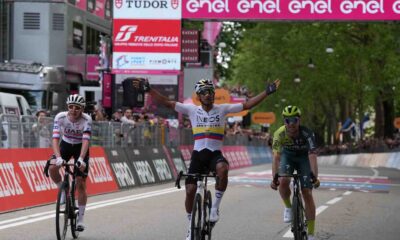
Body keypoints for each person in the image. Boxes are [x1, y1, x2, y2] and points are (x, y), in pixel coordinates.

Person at [136, 78, 280, 240]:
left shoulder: (222, 109)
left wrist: (266, 93)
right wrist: (149, 91)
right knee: (190, 190)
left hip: (214, 154)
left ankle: (215, 209)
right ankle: (190, 225)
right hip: (198, 155)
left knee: (223, 169)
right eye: (204, 92)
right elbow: (167, 102)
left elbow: (247, 105)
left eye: (210, 92)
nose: (208, 95)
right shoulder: (191, 109)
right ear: (198, 96)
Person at [270, 105, 320, 240]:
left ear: (299, 120)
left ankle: (310, 233)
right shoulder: (278, 133)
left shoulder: (307, 133)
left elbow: (312, 156)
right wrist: (274, 178)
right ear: (284, 121)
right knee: (283, 180)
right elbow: (276, 157)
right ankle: (288, 207)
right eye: (288, 121)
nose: (291, 124)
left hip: (304, 158)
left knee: (307, 192)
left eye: (294, 120)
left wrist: (314, 177)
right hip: (288, 157)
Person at [48, 94, 92, 232]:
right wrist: (59, 157)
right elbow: (55, 139)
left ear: (82, 109)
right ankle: (62, 189)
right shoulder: (60, 117)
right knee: (52, 167)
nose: (73, 110)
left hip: (80, 147)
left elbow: (86, 140)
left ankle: (80, 220)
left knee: (80, 182)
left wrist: (81, 159)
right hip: (65, 144)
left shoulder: (86, 119)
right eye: (71, 107)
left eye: (77, 108)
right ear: (67, 107)